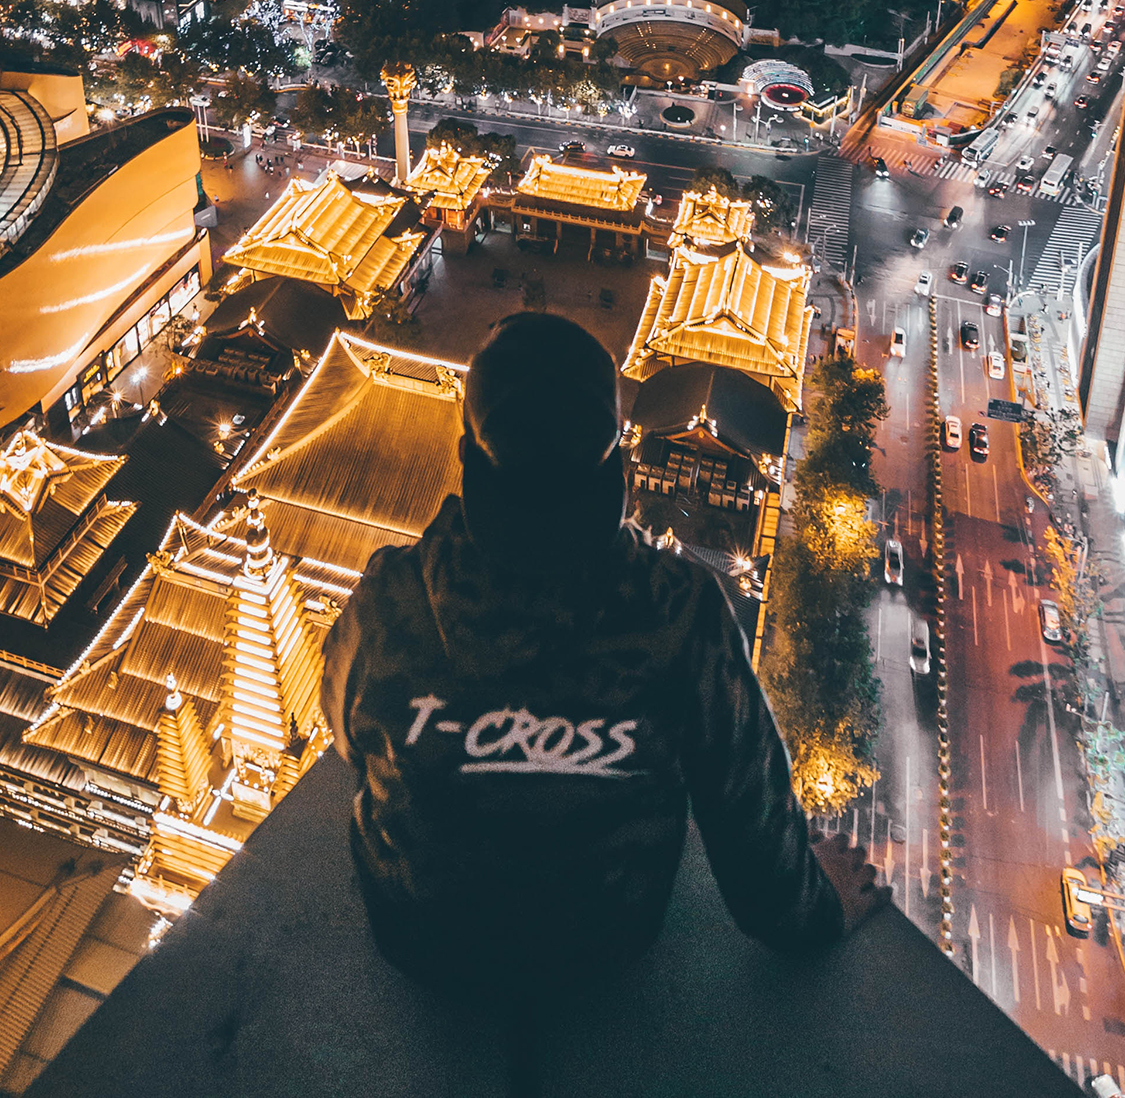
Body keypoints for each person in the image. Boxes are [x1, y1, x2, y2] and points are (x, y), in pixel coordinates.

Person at [321, 312, 886, 1007]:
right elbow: (748, 822)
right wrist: (817, 906)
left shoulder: (392, 599)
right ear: (618, 471)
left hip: (418, 938)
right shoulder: (680, 613)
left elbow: (344, 731)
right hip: (599, 947)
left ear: (467, 463)